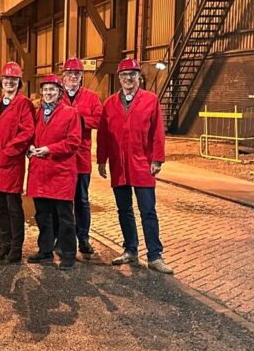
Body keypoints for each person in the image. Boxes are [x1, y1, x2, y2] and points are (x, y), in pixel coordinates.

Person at [97, 58, 173, 274]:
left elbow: (158, 132)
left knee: (148, 210)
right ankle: (130, 250)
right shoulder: (109, 103)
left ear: (139, 77)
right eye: (124, 75)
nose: (128, 78)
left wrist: (157, 159)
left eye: (132, 74)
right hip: (119, 164)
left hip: (142, 164)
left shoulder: (151, 100)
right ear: (119, 78)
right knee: (124, 210)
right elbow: (103, 135)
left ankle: (155, 255)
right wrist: (101, 160)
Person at [0, 61, 35, 263]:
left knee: (13, 207)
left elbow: (27, 131)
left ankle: (16, 247)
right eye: (7, 79)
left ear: (19, 82)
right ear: (1, 81)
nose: (9, 82)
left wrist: (9, 151)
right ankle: (3, 244)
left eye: (14, 79)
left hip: (11, 164)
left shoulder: (23, 103)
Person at [26, 75, 82, 270]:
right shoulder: (36, 113)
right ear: (41, 92)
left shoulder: (70, 113)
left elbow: (73, 142)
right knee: (43, 214)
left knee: (65, 216)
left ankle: (68, 253)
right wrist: (29, 147)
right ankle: (45, 250)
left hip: (61, 172)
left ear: (60, 93)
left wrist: (49, 149)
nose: (48, 93)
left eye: (52, 89)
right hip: (40, 171)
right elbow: (28, 134)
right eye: (46, 89)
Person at [59, 57, 103, 256]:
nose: (73, 77)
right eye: (70, 74)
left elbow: (99, 119)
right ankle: (61, 238)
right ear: (63, 76)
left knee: (82, 200)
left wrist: (78, 120)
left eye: (77, 74)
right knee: (61, 201)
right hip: (60, 158)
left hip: (81, 158)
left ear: (81, 76)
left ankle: (83, 238)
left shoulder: (91, 97)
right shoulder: (56, 94)